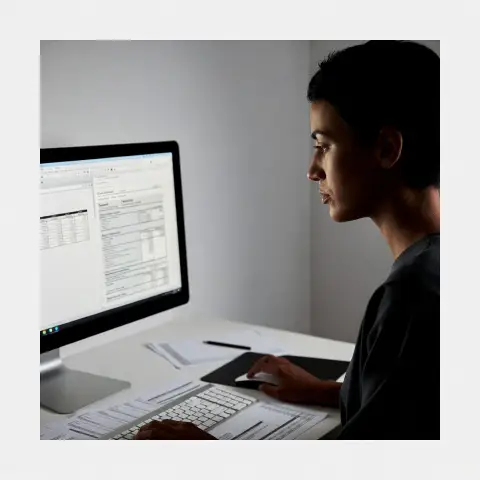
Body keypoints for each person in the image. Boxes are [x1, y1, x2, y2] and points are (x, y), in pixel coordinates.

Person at [135, 40, 440, 441]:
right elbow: (412, 408)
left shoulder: (412, 297)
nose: (313, 170)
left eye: (323, 146)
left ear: (386, 149)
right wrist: (325, 390)